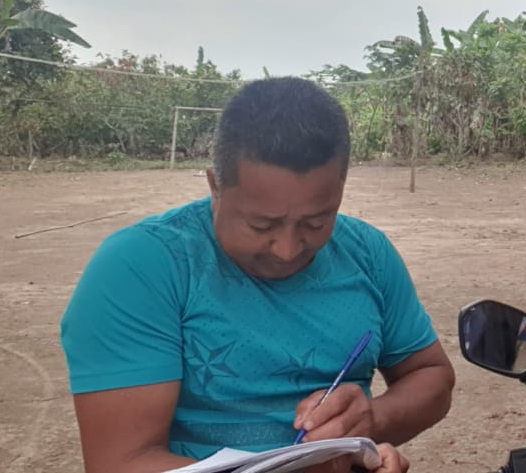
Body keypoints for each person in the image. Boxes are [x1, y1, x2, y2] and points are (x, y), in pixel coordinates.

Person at [59, 77, 451, 473]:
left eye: (315, 222)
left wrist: (371, 420)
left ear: (340, 189)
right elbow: (121, 461)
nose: (287, 249)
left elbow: (430, 376)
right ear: (215, 186)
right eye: (261, 225)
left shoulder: (367, 252)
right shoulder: (142, 267)